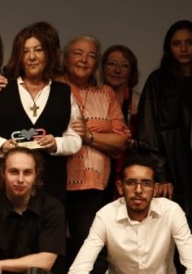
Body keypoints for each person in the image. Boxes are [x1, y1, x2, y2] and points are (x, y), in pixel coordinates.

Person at [0, 22, 82, 203]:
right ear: (18, 56)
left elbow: (75, 137)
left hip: (49, 185)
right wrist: (1, 145)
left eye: (38, 50)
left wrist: (57, 144)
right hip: (3, 187)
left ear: (48, 54)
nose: (31, 57)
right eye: (25, 51)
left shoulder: (64, 93)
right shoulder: (0, 88)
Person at [58, 35, 128, 263]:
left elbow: (121, 140)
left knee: (90, 254)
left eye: (91, 55)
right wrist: (102, 134)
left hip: (93, 185)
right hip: (53, 181)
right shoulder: (52, 88)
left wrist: (88, 136)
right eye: (78, 53)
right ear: (65, 57)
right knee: (53, 253)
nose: (84, 60)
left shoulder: (105, 93)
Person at [68, 156, 192, 274]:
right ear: (120, 187)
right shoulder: (106, 215)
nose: (138, 190)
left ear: (155, 189)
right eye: (131, 183)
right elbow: (79, 268)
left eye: (146, 183)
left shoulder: (171, 211)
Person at [0, 147, 66, 274]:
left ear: (35, 175)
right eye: (14, 172)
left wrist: (1, 264)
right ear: (2, 174)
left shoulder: (52, 208)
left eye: (27, 173)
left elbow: (46, 261)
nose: (20, 180)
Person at [137, 20, 192, 225]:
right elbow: (148, 131)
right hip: (173, 167)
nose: (184, 49)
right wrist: (160, 174)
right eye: (177, 44)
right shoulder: (158, 81)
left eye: (189, 42)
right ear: (169, 48)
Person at [101, 44, 141, 201]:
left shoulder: (138, 101)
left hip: (128, 168)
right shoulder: (91, 98)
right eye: (112, 64)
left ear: (132, 72)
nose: (117, 70)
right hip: (98, 167)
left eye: (124, 66)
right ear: (102, 67)